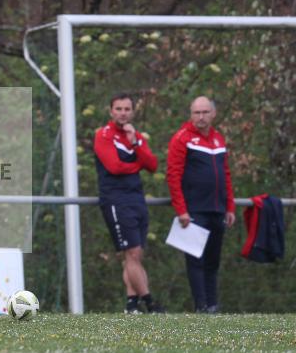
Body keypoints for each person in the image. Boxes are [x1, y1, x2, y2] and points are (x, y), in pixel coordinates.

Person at [93, 94, 164, 314]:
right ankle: (150, 303)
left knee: (135, 255)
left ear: (132, 112)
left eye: (127, 109)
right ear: (111, 111)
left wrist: (135, 144)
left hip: (137, 198)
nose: (123, 113)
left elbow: (152, 165)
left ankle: (131, 304)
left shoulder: (136, 136)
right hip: (116, 199)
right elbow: (114, 167)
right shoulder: (104, 135)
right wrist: (137, 165)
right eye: (118, 108)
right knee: (132, 253)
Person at [167, 96, 235, 313]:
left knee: (213, 259)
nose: (201, 117)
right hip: (194, 209)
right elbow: (173, 175)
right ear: (191, 114)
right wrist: (181, 210)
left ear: (213, 114)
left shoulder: (218, 139)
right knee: (196, 259)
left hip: (217, 209)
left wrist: (230, 206)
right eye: (196, 113)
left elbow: (225, 174)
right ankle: (201, 305)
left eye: (205, 112)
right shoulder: (182, 138)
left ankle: (213, 304)